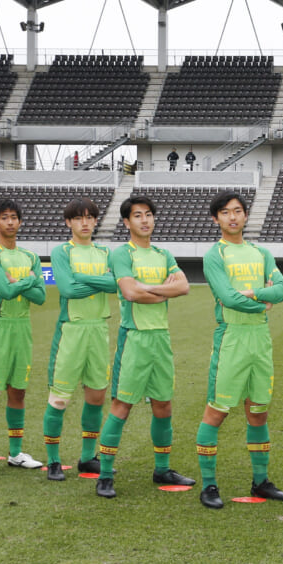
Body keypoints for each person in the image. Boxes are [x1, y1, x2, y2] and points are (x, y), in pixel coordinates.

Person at [196, 192, 283, 509]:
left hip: (260, 340)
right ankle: (209, 486)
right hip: (231, 339)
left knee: (258, 410)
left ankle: (261, 481)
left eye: (238, 211)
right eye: (225, 212)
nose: (232, 217)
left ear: (246, 216)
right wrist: (262, 301)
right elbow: (226, 297)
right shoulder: (215, 255)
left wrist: (259, 292)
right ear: (216, 219)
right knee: (217, 410)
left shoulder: (261, 252)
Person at [95, 195, 194, 498]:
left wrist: (148, 288)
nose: (144, 220)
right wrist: (164, 292)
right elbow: (129, 292)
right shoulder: (121, 254)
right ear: (126, 222)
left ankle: (162, 468)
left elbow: (184, 286)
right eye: (137, 215)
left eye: (149, 214)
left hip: (160, 339)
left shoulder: (163, 253)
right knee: (121, 405)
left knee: (163, 405)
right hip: (134, 337)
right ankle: (106, 474)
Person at [42, 197, 118, 481]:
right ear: (68, 222)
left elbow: (116, 284)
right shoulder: (62, 251)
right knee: (59, 399)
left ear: (96, 221)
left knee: (96, 396)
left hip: (99, 329)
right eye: (78, 218)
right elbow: (67, 289)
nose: (85, 223)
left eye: (89, 217)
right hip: (71, 330)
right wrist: (97, 281)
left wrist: (81, 277)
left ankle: (87, 458)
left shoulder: (105, 252)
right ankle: (52, 461)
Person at [0, 199, 47, 474]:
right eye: (4, 217)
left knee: (18, 391)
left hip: (23, 328)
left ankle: (16, 453)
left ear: (20, 222)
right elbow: (4, 293)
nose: (10, 222)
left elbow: (40, 297)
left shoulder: (30, 257)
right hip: (0, 327)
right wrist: (27, 281)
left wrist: (17, 282)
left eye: (14, 217)